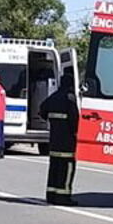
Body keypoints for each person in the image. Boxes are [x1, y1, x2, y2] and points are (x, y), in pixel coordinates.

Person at [39, 72, 79, 206]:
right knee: (66, 169)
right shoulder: (70, 99)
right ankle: (63, 196)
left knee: (54, 168)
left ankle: (51, 195)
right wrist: (76, 133)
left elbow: (42, 111)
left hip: (54, 141)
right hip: (67, 142)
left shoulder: (53, 97)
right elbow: (75, 120)